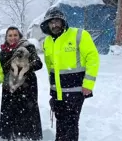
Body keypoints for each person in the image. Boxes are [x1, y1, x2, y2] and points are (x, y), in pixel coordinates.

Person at [40, 7, 100, 141]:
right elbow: (51, 68)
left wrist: (88, 84)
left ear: (63, 22)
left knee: (71, 123)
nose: (54, 25)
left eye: (57, 21)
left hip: (76, 90)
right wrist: (52, 91)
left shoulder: (79, 35)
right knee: (60, 121)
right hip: (58, 92)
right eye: (51, 22)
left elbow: (93, 58)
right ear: (47, 25)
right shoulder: (47, 42)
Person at [0, 26, 43, 141]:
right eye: (10, 35)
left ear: (19, 36)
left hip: (27, 87)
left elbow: (38, 64)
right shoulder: (4, 50)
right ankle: (10, 137)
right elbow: (0, 68)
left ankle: (28, 137)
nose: (13, 38)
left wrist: (26, 66)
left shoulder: (28, 47)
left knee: (27, 113)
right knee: (10, 113)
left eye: (15, 35)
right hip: (10, 87)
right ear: (6, 37)